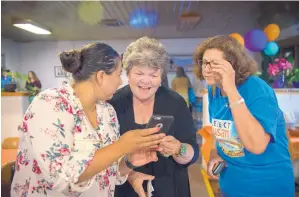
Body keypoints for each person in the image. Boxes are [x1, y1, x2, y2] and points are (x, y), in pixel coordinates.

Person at [11, 43, 166, 197]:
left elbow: (107, 172)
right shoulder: (51, 104)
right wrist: (121, 146)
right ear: (101, 76)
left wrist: (129, 161)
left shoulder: (107, 112)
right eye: (118, 75)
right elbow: (60, 177)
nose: (120, 82)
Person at [193, 35, 295, 197]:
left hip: (265, 188)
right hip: (231, 186)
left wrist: (231, 89)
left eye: (215, 63)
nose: (207, 68)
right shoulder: (215, 91)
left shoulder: (256, 89)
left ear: (232, 65)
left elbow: (257, 145)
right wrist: (214, 154)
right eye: (205, 62)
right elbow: (218, 130)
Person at [109, 36, 199, 197]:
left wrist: (179, 148)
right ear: (127, 73)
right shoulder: (114, 104)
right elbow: (105, 158)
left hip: (171, 189)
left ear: (161, 76)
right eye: (139, 73)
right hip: (126, 190)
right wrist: (129, 174)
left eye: (153, 75)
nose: (146, 81)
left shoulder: (175, 102)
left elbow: (192, 153)